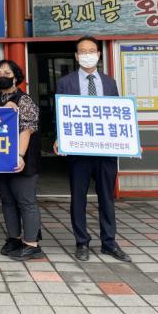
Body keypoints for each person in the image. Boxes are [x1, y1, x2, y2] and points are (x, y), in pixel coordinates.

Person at [55, 35, 130, 262]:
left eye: (91, 51)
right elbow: (61, 113)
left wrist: (128, 139)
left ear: (98, 54)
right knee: (78, 198)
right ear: (76, 56)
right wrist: (59, 137)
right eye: (83, 51)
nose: (87, 55)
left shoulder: (109, 82)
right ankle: (82, 242)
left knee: (106, 197)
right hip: (79, 150)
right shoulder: (65, 82)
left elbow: (117, 114)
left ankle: (109, 242)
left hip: (105, 150)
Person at [0, 60, 43, 261]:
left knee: (26, 201)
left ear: (15, 77)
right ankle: (14, 238)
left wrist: (20, 155)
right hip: (0, 158)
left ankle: (31, 244)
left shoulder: (24, 100)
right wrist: (3, 111)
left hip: (22, 158)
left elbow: (28, 130)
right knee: (7, 201)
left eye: (7, 73)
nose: (2, 76)